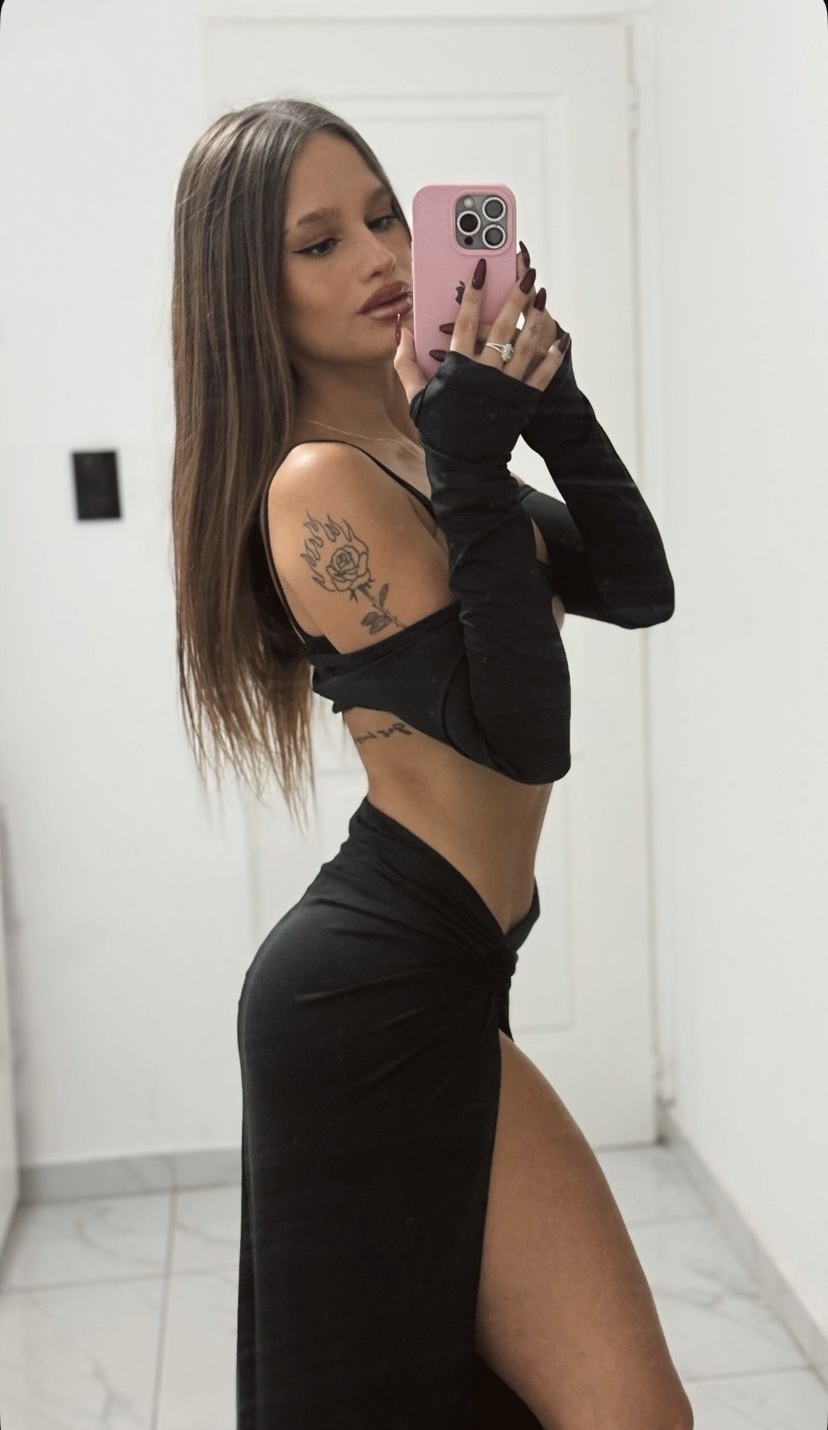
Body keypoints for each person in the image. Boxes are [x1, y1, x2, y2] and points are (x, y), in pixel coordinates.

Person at [171, 97, 693, 1430]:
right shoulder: (316, 487)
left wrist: (550, 402)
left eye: (383, 215)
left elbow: (636, 586)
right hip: (372, 991)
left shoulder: (417, 443)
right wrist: (469, 447)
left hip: (447, 965)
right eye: (317, 242)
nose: (379, 256)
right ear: (249, 294)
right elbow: (526, 733)